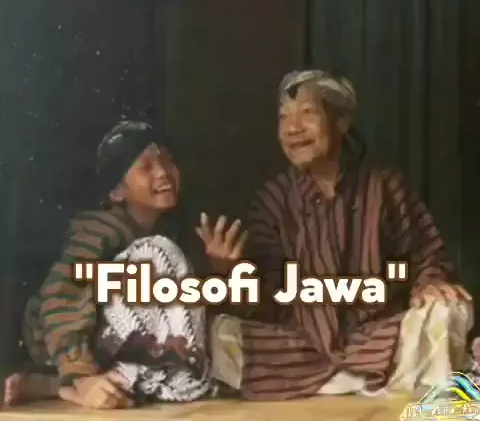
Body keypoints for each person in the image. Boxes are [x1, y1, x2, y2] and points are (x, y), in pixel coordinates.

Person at [205, 69, 474, 401]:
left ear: (342, 121)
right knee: (220, 331)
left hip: (380, 340)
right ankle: (359, 382)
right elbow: (266, 298)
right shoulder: (272, 200)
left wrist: (429, 282)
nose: (292, 128)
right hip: (296, 351)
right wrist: (231, 271)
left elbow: (426, 255)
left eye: (306, 112)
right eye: (283, 117)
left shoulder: (385, 187)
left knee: (451, 309)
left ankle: (370, 383)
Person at [3, 120, 220, 409]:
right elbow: (62, 294)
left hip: (107, 343)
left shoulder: (174, 230)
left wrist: (223, 268)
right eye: (146, 167)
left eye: (167, 160)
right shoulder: (97, 231)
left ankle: (50, 385)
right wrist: (82, 376)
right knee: (156, 253)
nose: (163, 172)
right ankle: (68, 382)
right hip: (63, 344)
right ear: (117, 192)